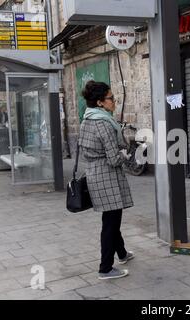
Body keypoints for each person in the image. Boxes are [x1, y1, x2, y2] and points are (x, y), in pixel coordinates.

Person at [79, 80, 135, 280]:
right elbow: (113, 158)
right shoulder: (103, 123)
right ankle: (105, 268)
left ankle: (122, 253)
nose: (114, 101)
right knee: (111, 222)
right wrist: (126, 155)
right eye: (111, 98)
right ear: (100, 102)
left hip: (95, 173)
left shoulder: (87, 118)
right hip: (107, 176)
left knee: (111, 218)